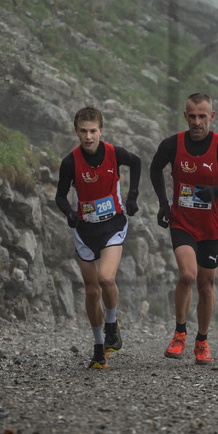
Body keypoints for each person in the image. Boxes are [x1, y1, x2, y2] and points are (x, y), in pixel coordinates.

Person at [149, 93, 218, 365]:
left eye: (202, 116)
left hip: (211, 226)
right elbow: (155, 169)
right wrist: (163, 204)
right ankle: (180, 333)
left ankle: (202, 340)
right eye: (192, 116)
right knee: (187, 275)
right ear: (185, 116)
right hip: (181, 221)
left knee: (206, 284)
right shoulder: (172, 145)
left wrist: (217, 191)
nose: (197, 121)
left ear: (211, 117)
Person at [54, 106, 141, 369]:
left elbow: (136, 162)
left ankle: (112, 325)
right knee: (92, 292)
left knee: (106, 278)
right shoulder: (70, 162)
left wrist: (132, 196)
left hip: (113, 225)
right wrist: (69, 212)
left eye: (93, 131)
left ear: (101, 131)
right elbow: (59, 196)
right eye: (83, 131)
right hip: (85, 231)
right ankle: (98, 347)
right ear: (76, 131)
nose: (89, 136)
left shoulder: (114, 154)